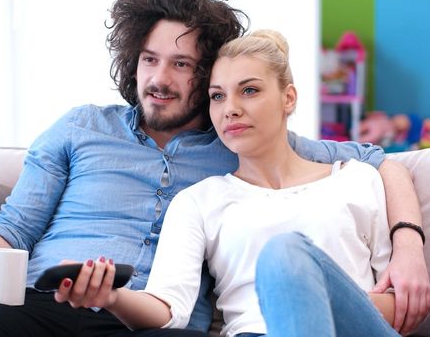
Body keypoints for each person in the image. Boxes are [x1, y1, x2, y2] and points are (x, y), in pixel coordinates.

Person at [0, 0, 429, 336]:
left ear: (204, 74)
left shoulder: (236, 138)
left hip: (154, 323)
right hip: (44, 307)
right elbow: (16, 223)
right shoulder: (81, 127)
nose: (158, 78)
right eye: (149, 59)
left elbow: (378, 161)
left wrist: (408, 246)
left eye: (180, 64)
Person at [54, 29, 402, 337]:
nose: (230, 109)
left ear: (288, 98)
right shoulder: (199, 201)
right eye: (218, 96)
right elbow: (168, 310)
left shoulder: (356, 178)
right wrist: (111, 296)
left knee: (285, 252)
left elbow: (398, 303)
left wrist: (304, 301)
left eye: (249, 91)